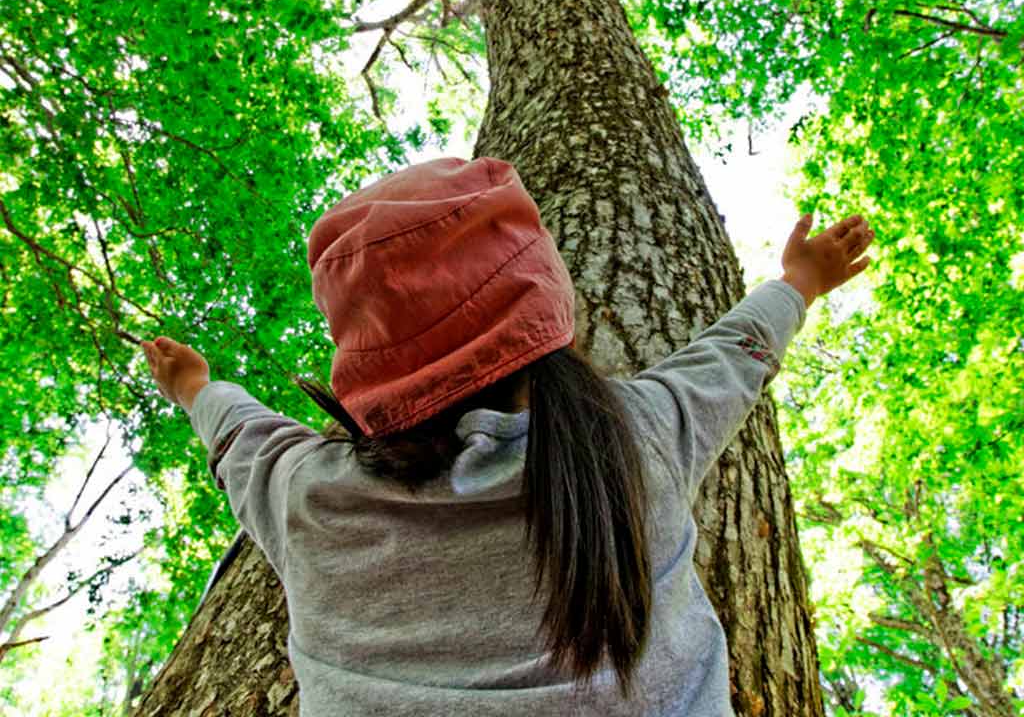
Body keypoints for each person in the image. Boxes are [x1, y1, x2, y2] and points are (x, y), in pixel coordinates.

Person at [142, 156, 873, 717]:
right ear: (551, 305)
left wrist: (192, 386)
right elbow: (734, 356)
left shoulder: (312, 500)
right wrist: (800, 283)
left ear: (364, 359)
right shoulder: (637, 437)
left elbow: (242, 435)